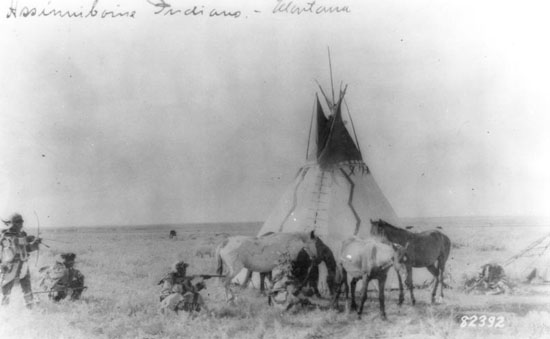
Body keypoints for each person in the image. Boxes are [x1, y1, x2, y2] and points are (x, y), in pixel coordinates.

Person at [0, 213, 42, 308]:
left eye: (21, 221)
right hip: (10, 266)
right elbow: (13, 242)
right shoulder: (5, 234)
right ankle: (3, 311)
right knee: (6, 289)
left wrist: (34, 245)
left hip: (23, 264)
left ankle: (30, 308)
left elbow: (26, 248)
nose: (21, 223)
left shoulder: (22, 234)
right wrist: (27, 239)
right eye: (18, 221)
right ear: (12, 223)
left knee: (27, 287)